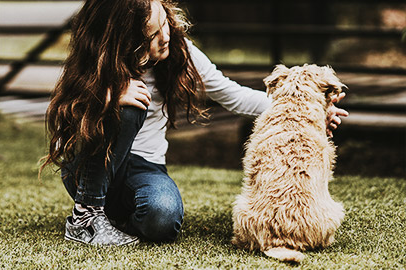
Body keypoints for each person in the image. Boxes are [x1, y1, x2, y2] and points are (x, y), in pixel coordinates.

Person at [40, 0, 348, 246]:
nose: (166, 36)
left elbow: (231, 94)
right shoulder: (96, 59)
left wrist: (309, 109)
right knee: (132, 104)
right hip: (88, 166)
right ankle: (86, 219)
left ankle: (113, 218)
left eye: (165, 23)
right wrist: (109, 96)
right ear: (126, 38)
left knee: (163, 219)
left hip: (145, 166)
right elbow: (65, 115)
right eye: (152, 34)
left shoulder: (178, 49)